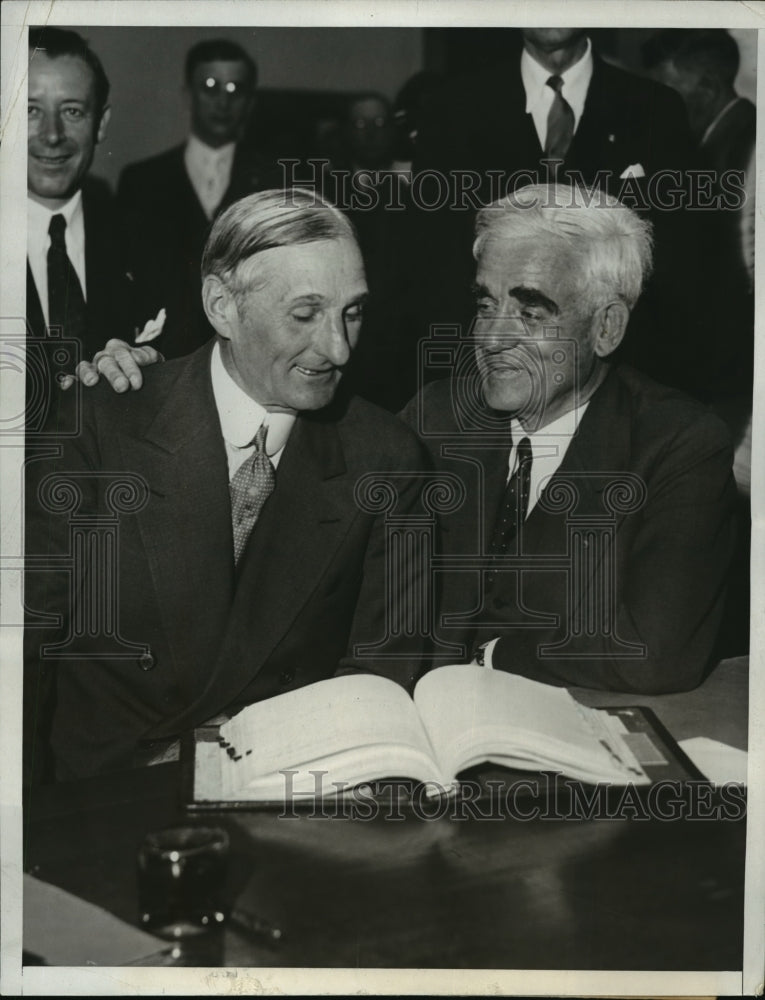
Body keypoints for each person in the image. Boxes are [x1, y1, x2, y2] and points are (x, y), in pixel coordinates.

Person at [24, 189, 427, 784]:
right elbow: (23, 652)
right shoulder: (100, 428)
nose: (338, 348)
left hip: (284, 793)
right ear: (221, 305)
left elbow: (378, 684)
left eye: (353, 312)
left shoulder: (386, 461)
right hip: (99, 798)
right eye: (305, 314)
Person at [401, 184, 737, 693]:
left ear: (607, 328)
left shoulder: (679, 446)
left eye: (530, 313)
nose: (491, 339)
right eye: (487, 305)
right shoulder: (438, 414)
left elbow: (652, 653)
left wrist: (492, 655)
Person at [409, 28, 698, 397]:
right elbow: (427, 264)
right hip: (485, 381)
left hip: (620, 384)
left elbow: (681, 267)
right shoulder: (451, 106)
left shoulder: (656, 106)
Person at [116, 38, 282, 359]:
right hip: (161, 362)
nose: (222, 101)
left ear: (249, 102)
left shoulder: (273, 182)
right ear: (187, 95)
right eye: (210, 86)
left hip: (248, 360)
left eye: (235, 89)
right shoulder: (142, 179)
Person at [26, 27, 137, 430]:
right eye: (29, 110)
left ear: (100, 123)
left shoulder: (143, 238)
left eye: (72, 110)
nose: (52, 135)